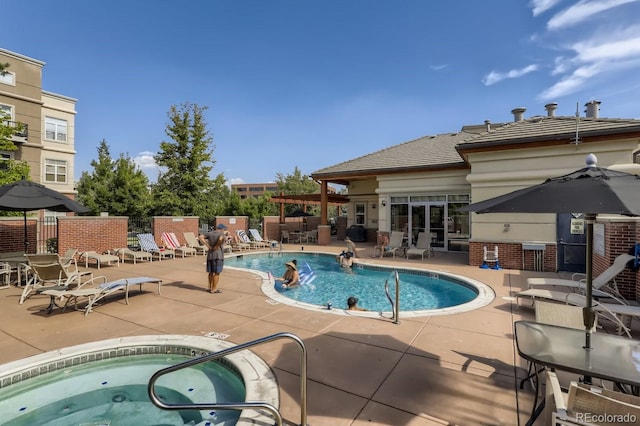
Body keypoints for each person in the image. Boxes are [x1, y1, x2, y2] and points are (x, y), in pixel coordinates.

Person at [199, 223, 228, 293]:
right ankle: (214, 289)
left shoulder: (210, 233)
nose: (225, 230)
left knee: (211, 272)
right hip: (218, 255)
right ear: (222, 229)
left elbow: (200, 237)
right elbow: (220, 239)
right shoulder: (221, 234)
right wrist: (217, 246)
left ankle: (209, 287)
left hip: (210, 255)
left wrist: (208, 245)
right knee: (217, 273)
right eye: (225, 229)